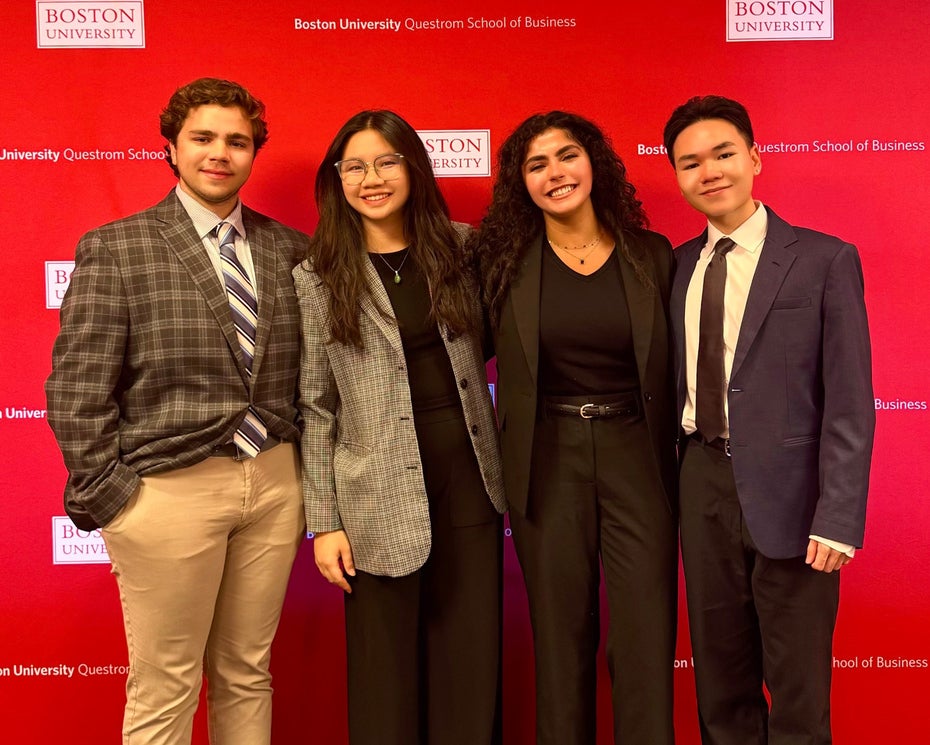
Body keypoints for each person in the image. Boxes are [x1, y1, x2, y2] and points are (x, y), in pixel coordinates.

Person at [45, 77, 307, 745]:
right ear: (171, 146)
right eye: (203, 138)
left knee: (248, 672)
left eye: (237, 141)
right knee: (167, 683)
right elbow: (75, 390)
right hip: (166, 491)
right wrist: (117, 498)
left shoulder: (291, 249)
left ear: (254, 154)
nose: (220, 153)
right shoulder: (118, 247)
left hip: (275, 485)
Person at [662, 94, 874, 745]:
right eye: (691, 161)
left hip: (795, 499)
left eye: (724, 154)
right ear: (676, 175)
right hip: (700, 488)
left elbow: (849, 398)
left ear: (754, 157)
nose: (710, 171)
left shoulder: (824, 259)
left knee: (798, 693)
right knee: (721, 690)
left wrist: (839, 516)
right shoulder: (670, 268)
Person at [293, 109, 506, 745]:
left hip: (469, 477)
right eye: (355, 166)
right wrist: (324, 519)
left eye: (387, 162)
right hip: (373, 495)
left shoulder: (465, 249)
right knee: (384, 674)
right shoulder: (317, 276)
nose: (372, 178)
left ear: (413, 167)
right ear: (337, 180)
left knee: (471, 662)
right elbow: (317, 405)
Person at [473, 111, 678, 745]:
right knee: (560, 639)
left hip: (637, 454)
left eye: (567, 156)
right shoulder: (500, 262)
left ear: (594, 163)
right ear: (520, 183)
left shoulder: (652, 254)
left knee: (646, 635)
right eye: (536, 165)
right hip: (546, 457)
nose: (555, 173)